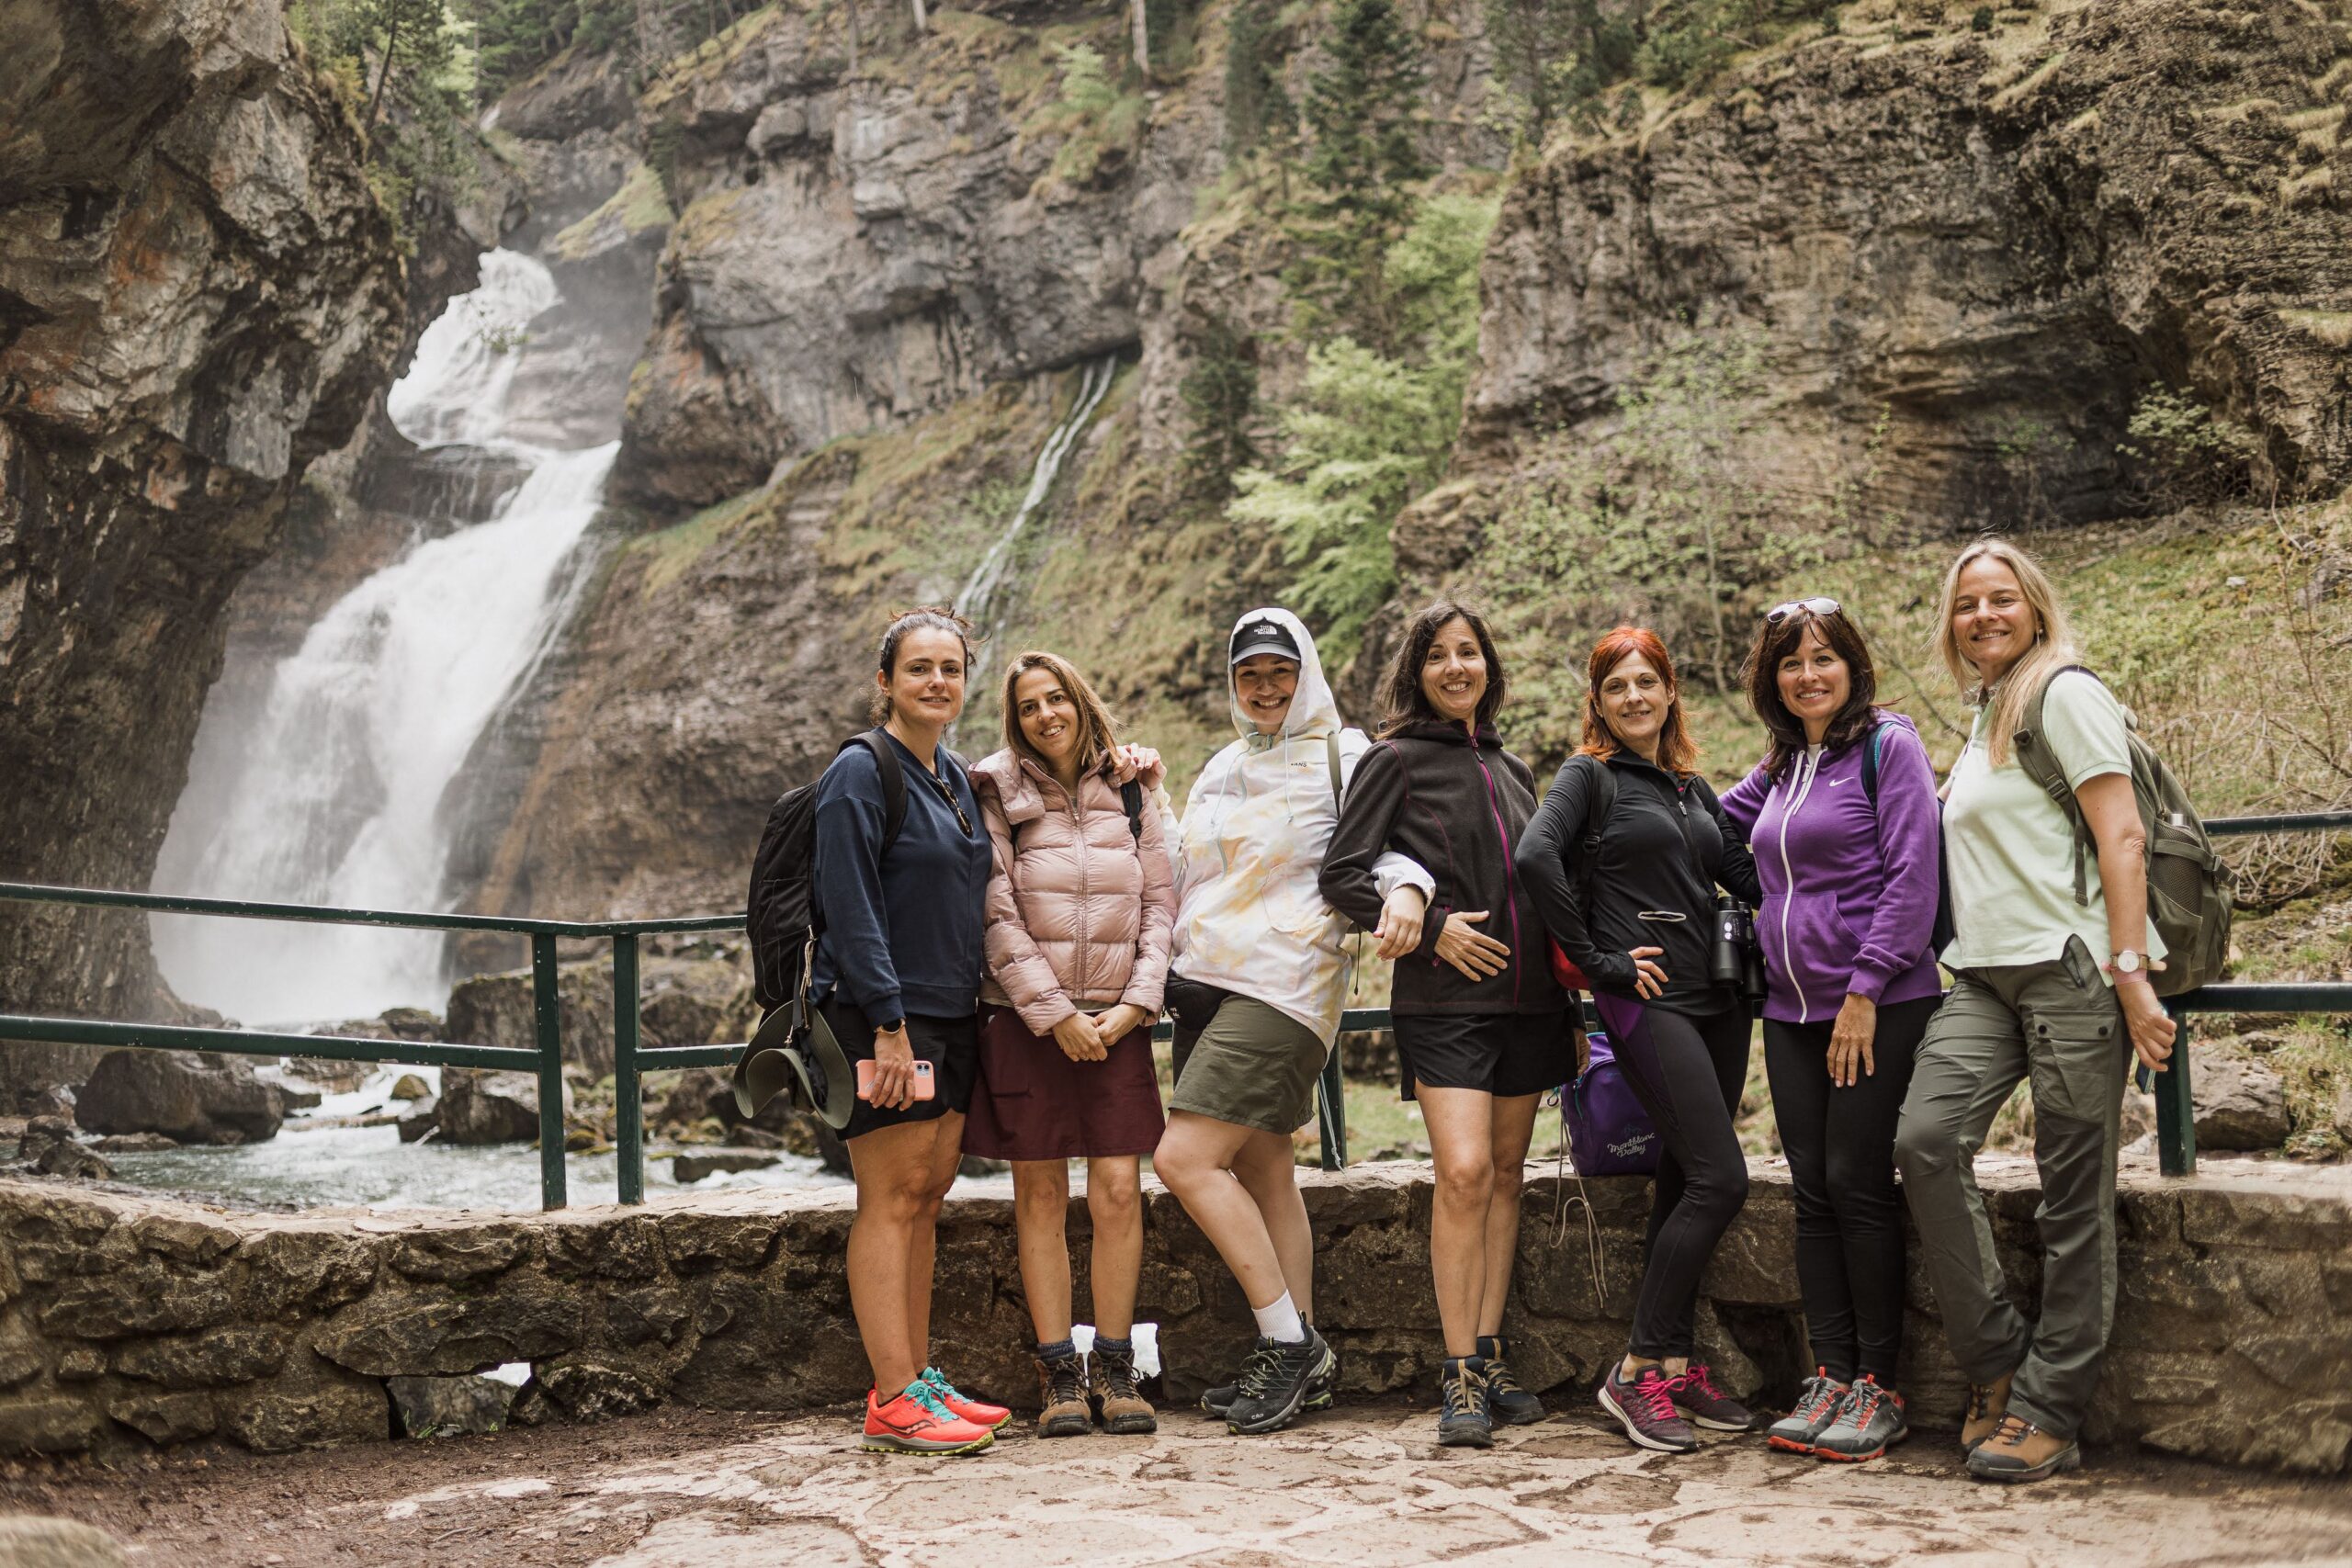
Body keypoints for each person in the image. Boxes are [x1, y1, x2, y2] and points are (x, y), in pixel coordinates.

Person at [1894, 540, 2176, 1484]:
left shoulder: (2063, 694)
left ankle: (2050, 1410)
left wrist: (2129, 969)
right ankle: (1997, 1366)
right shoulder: (1983, 711)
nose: (1982, 615)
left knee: (2072, 1197)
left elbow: (2122, 833)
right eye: (1966, 603)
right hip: (1978, 976)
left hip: (2069, 972)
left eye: (2000, 599)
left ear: (2035, 607)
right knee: (1925, 1142)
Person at [1155, 606, 1435, 1437]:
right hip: (1203, 983)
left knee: (1184, 1158)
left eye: (1280, 669)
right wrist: (1150, 789)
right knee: (1266, 1170)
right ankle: (1299, 1367)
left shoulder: (1343, 754)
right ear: (1233, 684)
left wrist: (1408, 891)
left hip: (1283, 981)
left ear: (1305, 670)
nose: (1266, 685)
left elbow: (1383, 847)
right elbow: (1184, 865)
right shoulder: (1221, 764)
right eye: (1250, 674)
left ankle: (1290, 1342)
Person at [1320, 602, 1567, 1449]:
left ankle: (1491, 1351)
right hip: (1444, 1003)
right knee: (1462, 1173)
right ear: (1416, 671)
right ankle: (1457, 1368)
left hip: (1531, 1004)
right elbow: (1344, 875)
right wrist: (1431, 929)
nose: (1457, 667)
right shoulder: (1391, 760)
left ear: (1489, 668)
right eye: (1439, 655)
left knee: (1506, 1175)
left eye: (1470, 653)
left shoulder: (1517, 770)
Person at [1515, 626, 1765, 1455]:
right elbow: (1534, 855)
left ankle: (1674, 1363)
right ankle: (1632, 1373)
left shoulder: (1693, 789)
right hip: (1646, 996)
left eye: (1645, 683)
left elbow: (1754, 872)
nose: (1633, 698)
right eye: (1615, 685)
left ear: (1669, 691)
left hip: (1719, 1002)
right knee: (1723, 1178)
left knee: (1685, 1174)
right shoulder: (1589, 777)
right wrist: (1597, 961)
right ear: (1599, 700)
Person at [1719, 600, 1943, 1463]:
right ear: (1771, 679)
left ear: (1852, 662)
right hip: (1788, 1007)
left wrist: (1865, 987)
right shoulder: (1783, 764)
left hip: (1875, 1002)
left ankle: (1878, 1385)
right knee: (1812, 1190)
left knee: (1856, 1180)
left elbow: (1912, 875)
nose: (1808, 674)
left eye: (1823, 658)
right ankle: (1832, 1373)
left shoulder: (1890, 745)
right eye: (1789, 662)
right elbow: (1712, 826)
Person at [813, 606, 1009, 1456]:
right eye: (919, 667)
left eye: (951, 668)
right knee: (889, 1200)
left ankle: (918, 1379)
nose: (937, 681)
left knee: (927, 1199)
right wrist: (887, 1024)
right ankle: (892, 1396)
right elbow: (848, 905)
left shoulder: (955, 776)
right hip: (883, 1017)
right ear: (884, 682)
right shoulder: (863, 771)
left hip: (949, 1012)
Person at [967, 650, 1176, 1439]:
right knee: (1040, 1195)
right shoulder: (995, 789)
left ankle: (1117, 1369)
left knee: (1120, 1190)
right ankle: (1060, 1375)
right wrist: (1051, 1012)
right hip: (1029, 1022)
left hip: (1118, 1019)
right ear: (1013, 720)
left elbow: (1162, 902)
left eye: (1056, 698)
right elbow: (994, 909)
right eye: (1028, 706)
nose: (1046, 714)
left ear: (1080, 700)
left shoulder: (1131, 786)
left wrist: (1136, 1003)